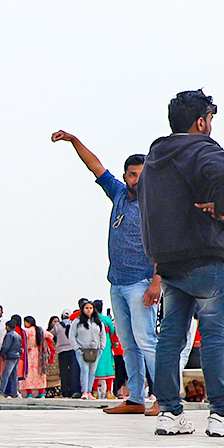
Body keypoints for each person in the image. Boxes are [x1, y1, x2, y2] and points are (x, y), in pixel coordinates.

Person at [138, 89, 224, 437]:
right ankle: (222, 414)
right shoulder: (201, 149)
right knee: (214, 337)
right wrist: (222, 208)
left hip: (169, 260)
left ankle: (169, 412)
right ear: (201, 121)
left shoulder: (154, 159)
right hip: (206, 253)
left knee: (171, 338)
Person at [52, 131, 159, 414]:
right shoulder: (119, 194)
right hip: (118, 282)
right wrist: (74, 141)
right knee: (129, 343)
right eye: (131, 175)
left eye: (140, 174)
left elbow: (163, 244)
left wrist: (156, 282)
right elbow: (95, 166)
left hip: (142, 281)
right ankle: (136, 398)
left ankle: (165, 397)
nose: (135, 180)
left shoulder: (156, 204)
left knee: (147, 339)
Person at [69, 300, 108, 401]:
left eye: (90, 308)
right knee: (84, 370)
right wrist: (76, 348)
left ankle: (90, 391)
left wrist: (101, 347)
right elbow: (72, 335)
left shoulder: (98, 321)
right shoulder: (77, 322)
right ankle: (84, 391)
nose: (89, 310)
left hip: (95, 350)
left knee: (92, 371)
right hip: (82, 350)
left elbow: (102, 335)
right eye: (86, 308)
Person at [0, 315, 23, 397]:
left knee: (5, 375)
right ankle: (15, 392)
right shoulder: (17, 335)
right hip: (16, 356)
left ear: (8, 327)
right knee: (14, 375)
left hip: (10, 356)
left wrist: (1, 353)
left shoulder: (9, 335)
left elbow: (6, 346)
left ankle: (1, 392)